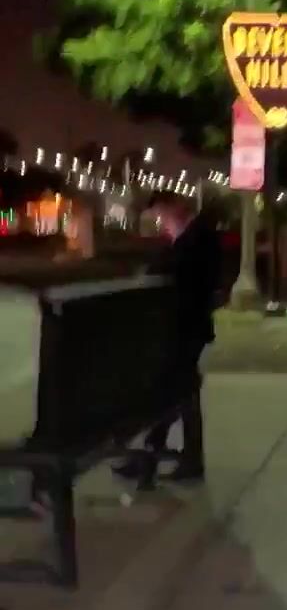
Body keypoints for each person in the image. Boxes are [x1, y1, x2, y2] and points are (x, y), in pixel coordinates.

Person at [115, 193, 223, 483]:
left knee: (179, 394)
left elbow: (185, 277)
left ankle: (181, 460)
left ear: (174, 208)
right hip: (187, 327)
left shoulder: (196, 238)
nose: (161, 223)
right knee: (175, 393)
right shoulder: (194, 236)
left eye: (161, 216)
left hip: (185, 328)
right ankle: (152, 455)